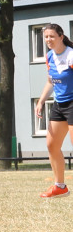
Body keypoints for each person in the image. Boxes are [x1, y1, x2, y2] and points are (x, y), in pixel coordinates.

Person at [34, 23, 73, 198]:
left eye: (52, 36)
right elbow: (51, 81)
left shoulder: (71, 55)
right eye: (46, 37)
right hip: (59, 104)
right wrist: (41, 101)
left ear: (61, 37)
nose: (48, 40)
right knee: (51, 145)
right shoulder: (49, 56)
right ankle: (60, 187)